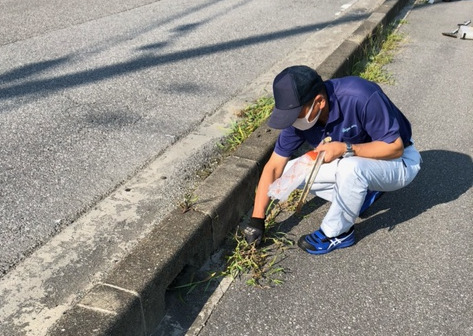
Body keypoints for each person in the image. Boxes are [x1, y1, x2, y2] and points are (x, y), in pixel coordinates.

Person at [243, 65, 421, 254]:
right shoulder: (298, 118)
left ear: (319, 102)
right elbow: (274, 167)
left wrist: (346, 148)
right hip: (358, 163)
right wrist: (257, 219)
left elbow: (395, 148)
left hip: (400, 162)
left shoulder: (360, 96)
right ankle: (363, 194)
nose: (292, 121)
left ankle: (338, 233)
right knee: (289, 173)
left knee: (351, 168)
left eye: (295, 115)